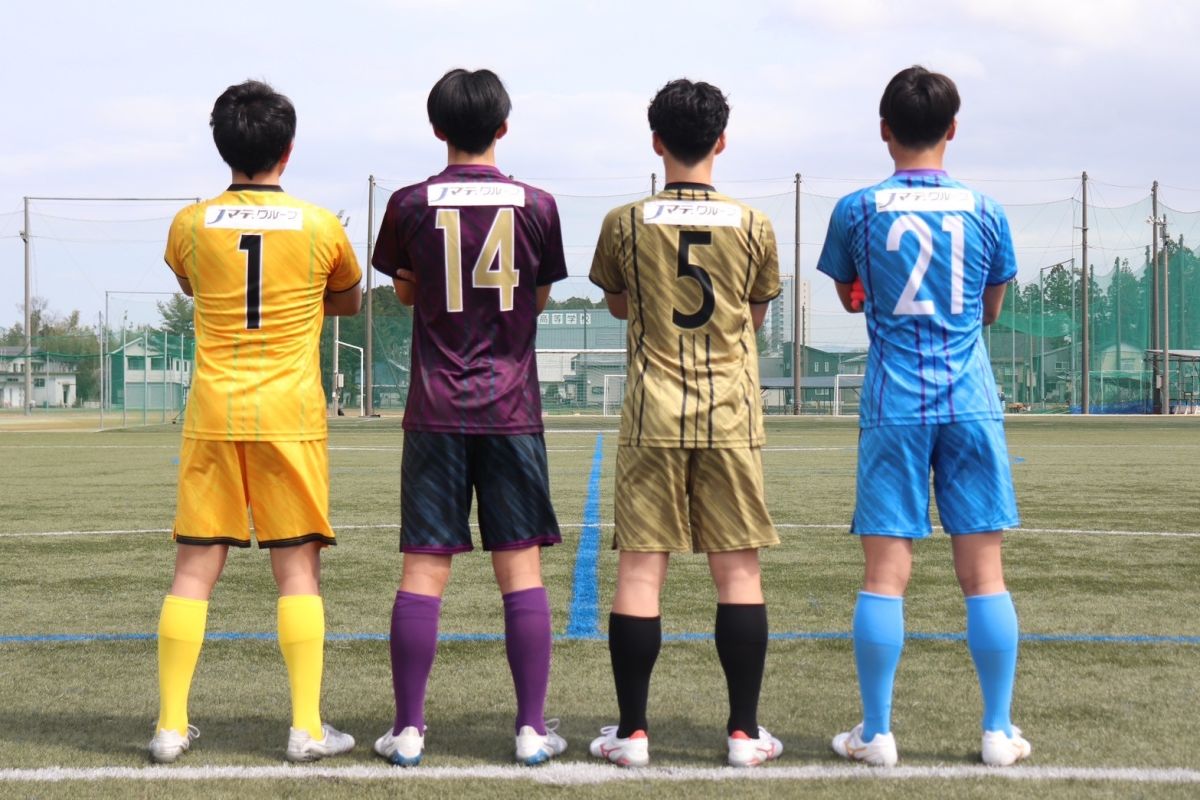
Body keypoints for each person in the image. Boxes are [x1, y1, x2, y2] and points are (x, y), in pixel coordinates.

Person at [817, 65, 1030, 767]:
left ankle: (877, 733)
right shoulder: (986, 210)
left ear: (884, 130)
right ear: (953, 129)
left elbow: (851, 293)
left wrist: (867, 294)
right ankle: (997, 732)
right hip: (970, 400)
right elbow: (990, 309)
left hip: (894, 403)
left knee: (885, 574)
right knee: (985, 574)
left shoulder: (856, 209)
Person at [152, 80, 362, 764]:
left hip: (213, 410)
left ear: (222, 147)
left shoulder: (189, 223)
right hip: (288, 413)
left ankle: (170, 727)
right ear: (288, 149)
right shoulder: (320, 225)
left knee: (194, 568)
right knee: (297, 568)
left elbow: (193, 285)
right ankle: (306, 728)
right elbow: (349, 300)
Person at [370, 68, 568, 768]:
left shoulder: (408, 203)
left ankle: (409, 730)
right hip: (511, 408)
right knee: (521, 570)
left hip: (435, 407)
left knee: (423, 570)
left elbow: (404, 292)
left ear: (436, 129)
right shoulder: (538, 204)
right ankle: (530, 728)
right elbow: (536, 298)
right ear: (504, 127)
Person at [587, 79, 783, 769]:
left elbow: (618, 304)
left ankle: (632, 734)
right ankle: (744, 735)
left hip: (654, 411)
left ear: (655, 141)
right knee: (739, 573)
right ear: (721, 141)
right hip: (730, 412)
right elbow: (754, 314)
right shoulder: (755, 223)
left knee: (641, 573)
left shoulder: (623, 222)